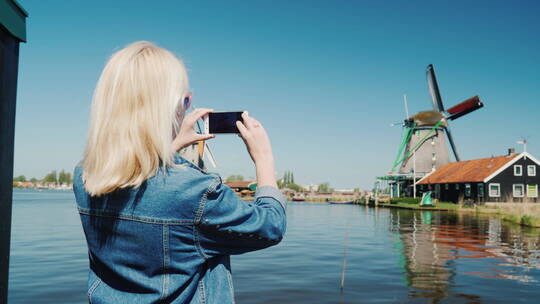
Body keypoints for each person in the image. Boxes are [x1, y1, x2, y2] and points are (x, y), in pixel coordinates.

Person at [73, 41, 286, 304]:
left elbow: (143, 184)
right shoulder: (194, 191)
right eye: (186, 101)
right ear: (176, 107)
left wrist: (170, 147)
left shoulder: (84, 176)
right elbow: (269, 226)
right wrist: (264, 159)